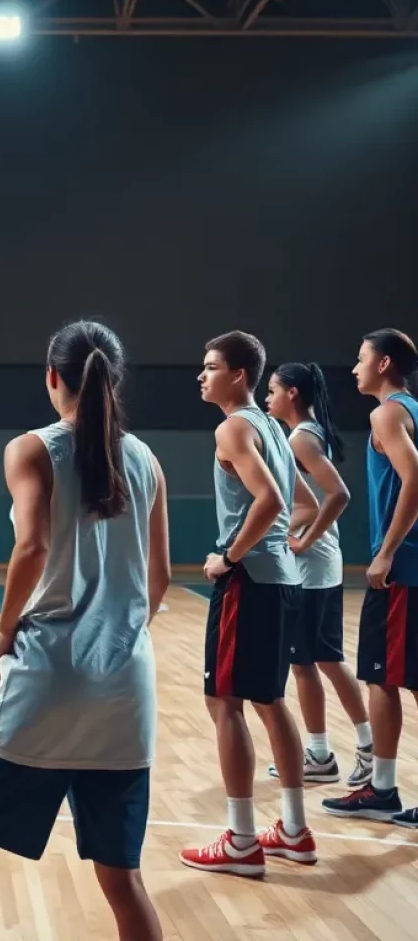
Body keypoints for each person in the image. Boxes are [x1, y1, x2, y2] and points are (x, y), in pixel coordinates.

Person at [0, 321, 168, 941]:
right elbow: (162, 578)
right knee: (122, 878)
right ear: (113, 380)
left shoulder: (31, 448)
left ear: (52, 378)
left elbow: (32, 545)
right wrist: (116, 633)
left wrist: (6, 630)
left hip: (49, 673)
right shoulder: (147, 459)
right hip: (126, 685)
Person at [181, 331, 318, 877]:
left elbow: (275, 501)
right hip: (281, 579)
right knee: (269, 700)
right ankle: (293, 829)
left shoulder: (234, 426)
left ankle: (240, 841)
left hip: (249, 582)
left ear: (238, 374)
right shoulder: (270, 428)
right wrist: (280, 540)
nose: (201, 375)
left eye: (211, 366)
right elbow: (303, 503)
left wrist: (231, 555)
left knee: (224, 703)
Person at [323, 328, 418, 828]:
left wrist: (386, 552)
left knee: (382, 677)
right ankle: (381, 786)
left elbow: (415, 477)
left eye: (361, 359)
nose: (355, 367)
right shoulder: (410, 410)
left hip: (403, 569)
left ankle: (381, 789)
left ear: (383, 364)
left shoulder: (387, 413)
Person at [265, 363, 373, 788]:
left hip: (314, 569)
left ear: (292, 393)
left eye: (272, 390)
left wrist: (305, 540)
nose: (267, 397)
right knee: (305, 663)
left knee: (324, 660)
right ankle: (320, 753)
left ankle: (365, 747)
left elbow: (339, 494)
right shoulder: (306, 432)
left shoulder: (300, 437)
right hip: (311, 568)